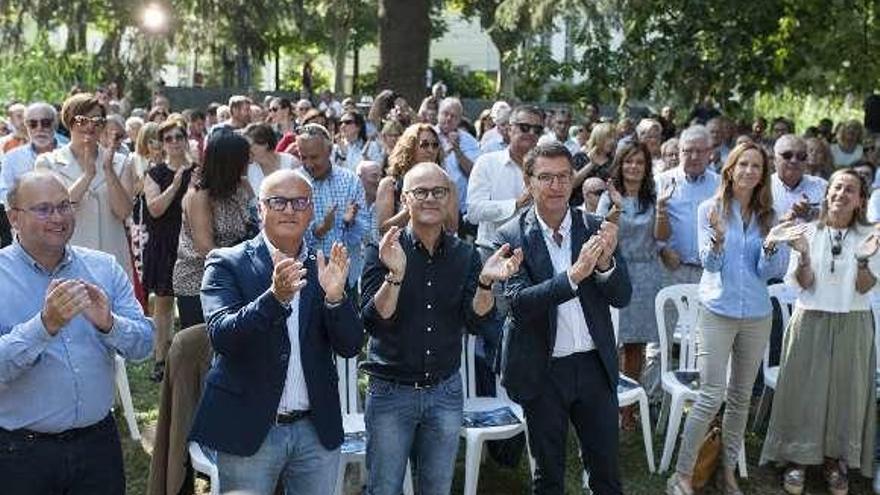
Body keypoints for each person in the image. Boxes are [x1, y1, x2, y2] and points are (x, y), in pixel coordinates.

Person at [188, 169, 364, 494]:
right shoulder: (227, 263)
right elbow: (223, 338)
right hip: (249, 426)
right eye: (278, 201)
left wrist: (336, 298)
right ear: (260, 209)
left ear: (311, 210)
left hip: (315, 427)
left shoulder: (323, 265)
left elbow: (351, 345)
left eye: (299, 202)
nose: (288, 210)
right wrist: (275, 299)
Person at [360, 162, 522, 495]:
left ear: (450, 199)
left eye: (439, 192)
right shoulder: (383, 249)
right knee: (384, 487)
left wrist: (486, 283)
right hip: (391, 391)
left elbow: (476, 321)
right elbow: (374, 322)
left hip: (444, 391)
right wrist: (395, 275)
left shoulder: (465, 254)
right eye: (421, 191)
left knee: (437, 487)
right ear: (406, 199)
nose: (431, 198)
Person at [0, 171, 152, 494]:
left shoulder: (103, 268)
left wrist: (110, 324)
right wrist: (44, 326)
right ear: (14, 217)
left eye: (64, 206)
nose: (58, 218)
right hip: (21, 454)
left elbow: (144, 345)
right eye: (43, 209)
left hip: (97, 446)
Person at [666, 142, 802, 495]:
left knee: (741, 397)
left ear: (763, 174)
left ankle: (726, 472)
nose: (749, 171)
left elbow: (769, 271)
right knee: (711, 395)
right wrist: (719, 239)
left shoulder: (770, 216)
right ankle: (682, 474)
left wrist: (772, 244)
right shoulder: (709, 209)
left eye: (757, 166)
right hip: (717, 311)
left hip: (757, 314)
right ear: (731, 169)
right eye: (744, 164)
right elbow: (709, 265)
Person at [496, 142, 630, 494]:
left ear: (573, 180)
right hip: (543, 370)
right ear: (529, 183)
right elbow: (517, 305)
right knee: (548, 477)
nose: (556, 186)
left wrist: (603, 265)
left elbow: (622, 295)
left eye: (563, 177)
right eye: (546, 177)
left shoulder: (595, 227)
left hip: (593, 367)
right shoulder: (511, 236)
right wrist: (574, 275)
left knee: (606, 473)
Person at [761, 169, 878, 495]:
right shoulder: (808, 231)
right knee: (804, 390)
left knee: (846, 393)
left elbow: (863, 286)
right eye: (837, 187)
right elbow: (804, 283)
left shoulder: (871, 235)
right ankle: (798, 460)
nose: (841, 193)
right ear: (827, 194)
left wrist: (867, 260)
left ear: (859, 200)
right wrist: (802, 254)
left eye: (850, 190)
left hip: (852, 322)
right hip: (810, 318)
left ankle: (834, 461)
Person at [595, 141, 665, 430]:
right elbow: (598, 232)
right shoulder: (609, 197)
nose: (633, 167)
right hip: (616, 269)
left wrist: (661, 210)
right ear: (620, 165)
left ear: (647, 167)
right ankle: (603, 402)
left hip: (647, 273)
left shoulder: (654, 197)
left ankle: (628, 410)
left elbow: (662, 236)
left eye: (639, 162)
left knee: (635, 344)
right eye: (628, 161)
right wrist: (616, 207)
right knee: (608, 342)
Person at [34, 93, 135, 278]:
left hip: (112, 258)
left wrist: (108, 170)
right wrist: (87, 176)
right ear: (69, 122)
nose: (90, 126)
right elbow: (53, 210)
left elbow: (123, 212)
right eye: (82, 120)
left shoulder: (121, 162)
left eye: (97, 120)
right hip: (68, 258)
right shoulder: (48, 163)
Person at [173, 132, 259, 330]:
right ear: (230, 162)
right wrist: (244, 264)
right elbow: (205, 248)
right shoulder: (199, 196)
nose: (250, 162)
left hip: (233, 277)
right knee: (204, 348)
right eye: (245, 158)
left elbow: (257, 221)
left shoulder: (240, 186)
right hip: (199, 281)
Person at [143, 119, 195, 382]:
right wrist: (175, 185)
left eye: (178, 137)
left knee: (191, 303)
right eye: (168, 138)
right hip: (164, 244)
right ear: (162, 144)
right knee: (163, 304)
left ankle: (189, 357)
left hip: (191, 244)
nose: (174, 142)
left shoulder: (198, 171)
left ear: (186, 139)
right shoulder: (154, 173)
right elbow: (154, 209)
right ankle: (160, 359)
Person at [297, 124, 369, 291]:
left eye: (314, 157)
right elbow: (292, 237)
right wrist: (320, 230)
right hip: (309, 278)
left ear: (329, 152)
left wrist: (349, 223)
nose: (309, 164)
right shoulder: (296, 183)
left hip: (346, 276)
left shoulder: (350, 180)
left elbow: (364, 229)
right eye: (303, 157)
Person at [375, 123, 458, 235]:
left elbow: (452, 228)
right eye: (424, 145)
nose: (431, 150)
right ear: (410, 147)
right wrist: (410, 208)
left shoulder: (448, 184)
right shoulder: (390, 184)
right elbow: (383, 229)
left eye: (435, 145)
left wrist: (439, 203)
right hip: (400, 248)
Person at [0, 102, 64, 247]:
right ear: (26, 126)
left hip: (64, 232)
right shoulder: (12, 158)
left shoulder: (69, 154)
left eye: (46, 123)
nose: (39, 128)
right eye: (33, 124)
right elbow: (5, 195)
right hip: (26, 237)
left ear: (55, 124)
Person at [436, 97, 481, 235]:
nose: (449, 118)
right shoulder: (426, 135)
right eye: (445, 113)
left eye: (454, 116)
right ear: (438, 113)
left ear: (460, 120)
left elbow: (474, 173)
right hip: (430, 204)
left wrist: (457, 150)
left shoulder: (469, 141)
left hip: (460, 209)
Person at [771, 134, 827, 221]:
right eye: (787, 155)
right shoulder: (763, 187)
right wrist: (778, 223)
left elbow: (838, 219)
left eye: (800, 156)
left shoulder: (822, 186)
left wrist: (812, 213)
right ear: (774, 160)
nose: (794, 160)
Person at [244, 122, 298, 194]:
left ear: (265, 144)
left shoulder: (291, 163)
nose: (247, 149)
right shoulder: (248, 169)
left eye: (249, 145)